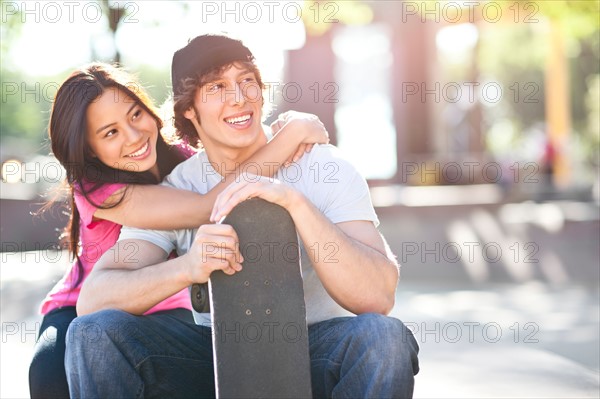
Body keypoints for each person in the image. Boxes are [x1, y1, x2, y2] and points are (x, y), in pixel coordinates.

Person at [66, 34, 419, 398]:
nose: (239, 97)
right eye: (217, 86)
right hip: (212, 353)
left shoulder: (324, 167)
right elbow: (92, 300)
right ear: (188, 108)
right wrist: (188, 267)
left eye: (247, 80)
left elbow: (379, 297)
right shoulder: (177, 189)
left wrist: (297, 206)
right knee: (92, 332)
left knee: (384, 337)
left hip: (317, 346)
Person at [29, 62, 329, 398]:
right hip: (89, 305)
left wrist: (282, 129)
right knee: (49, 377)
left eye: (135, 115)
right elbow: (210, 206)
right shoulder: (100, 190)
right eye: (110, 132)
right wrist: (291, 137)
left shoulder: (182, 161)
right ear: (89, 150)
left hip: (169, 307)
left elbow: (236, 161)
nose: (133, 135)